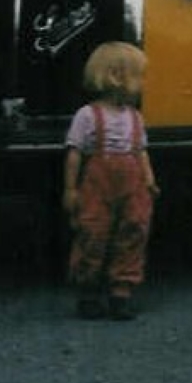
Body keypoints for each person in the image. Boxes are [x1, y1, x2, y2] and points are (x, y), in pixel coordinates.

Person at [62, 41, 161, 321]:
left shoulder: (135, 118)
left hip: (133, 185)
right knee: (93, 232)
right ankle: (89, 291)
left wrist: (149, 180)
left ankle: (121, 292)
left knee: (133, 231)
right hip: (97, 185)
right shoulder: (87, 115)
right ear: (116, 77)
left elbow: (140, 151)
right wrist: (70, 189)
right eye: (138, 76)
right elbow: (74, 153)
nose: (143, 83)